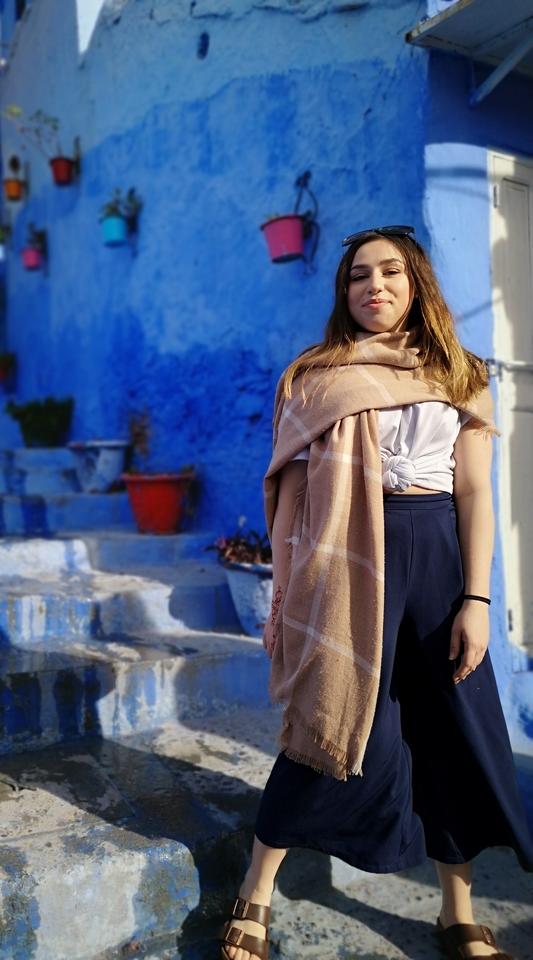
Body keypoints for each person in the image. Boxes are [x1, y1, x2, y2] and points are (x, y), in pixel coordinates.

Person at [219, 226, 533, 960]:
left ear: (416, 283)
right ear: (345, 293)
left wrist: (477, 601)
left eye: (391, 272)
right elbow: (291, 503)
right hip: (346, 561)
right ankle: (255, 891)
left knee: (451, 731)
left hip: (438, 560)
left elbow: (477, 492)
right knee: (326, 717)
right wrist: (283, 601)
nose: (375, 286)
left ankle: (458, 911)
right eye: (359, 276)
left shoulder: (462, 372)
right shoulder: (315, 377)